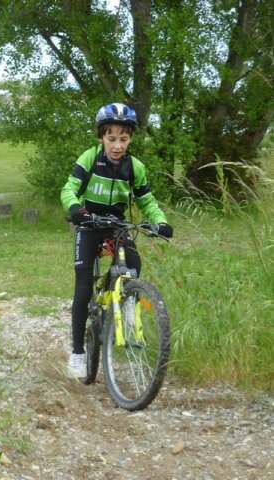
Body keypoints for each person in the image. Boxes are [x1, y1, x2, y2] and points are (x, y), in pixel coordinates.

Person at [61, 102, 173, 378]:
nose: (117, 145)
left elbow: (146, 200)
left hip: (117, 226)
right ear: (101, 137)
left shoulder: (134, 167)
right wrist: (75, 208)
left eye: (124, 139)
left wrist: (161, 222)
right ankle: (77, 353)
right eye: (111, 138)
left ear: (130, 138)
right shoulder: (90, 158)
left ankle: (126, 300)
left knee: (133, 260)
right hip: (88, 223)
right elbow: (69, 188)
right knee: (84, 286)